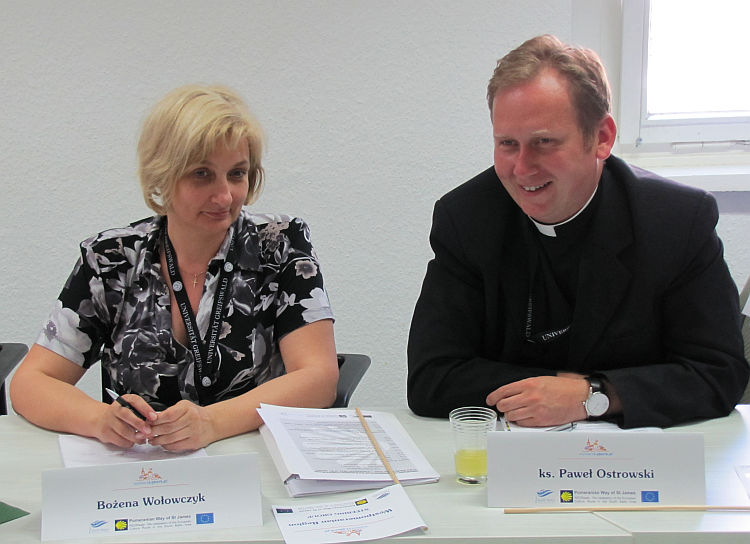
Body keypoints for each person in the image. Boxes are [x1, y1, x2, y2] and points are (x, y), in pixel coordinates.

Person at [407, 35, 749, 429]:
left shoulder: (676, 221)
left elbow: (718, 373)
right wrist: (556, 390)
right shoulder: (466, 218)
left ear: (601, 138)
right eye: (507, 144)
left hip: (642, 455)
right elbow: (431, 378)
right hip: (509, 454)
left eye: (544, 142)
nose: (522, 168)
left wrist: (595, 396)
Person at [11, 85, 339, 450]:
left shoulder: (280, 244)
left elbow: (319, 379)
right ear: (162, 176)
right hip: (144, 470)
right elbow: (30, 383)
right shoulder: (112, 258)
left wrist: (212, 423)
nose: (224, 196)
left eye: (236, 174)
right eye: (201, 174)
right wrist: (99, 420)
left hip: (252, 464)